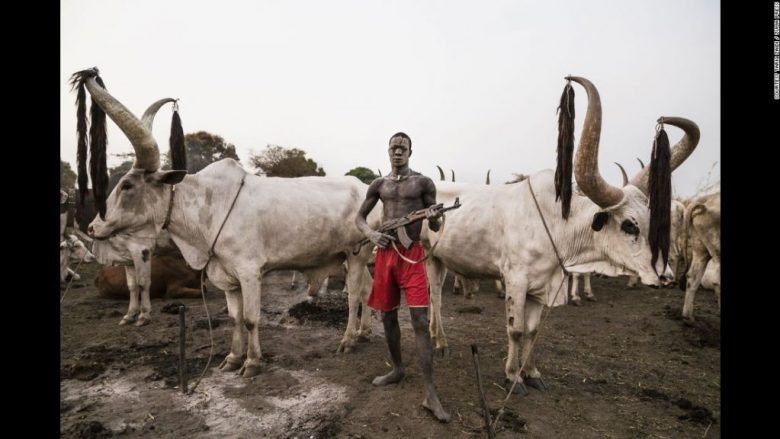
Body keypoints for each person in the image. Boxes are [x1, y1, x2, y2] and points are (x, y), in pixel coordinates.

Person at [355, 131, 451, 423]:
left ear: (411, 151)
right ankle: (397, 369)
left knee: (421, 321)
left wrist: (433, 216)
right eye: (394, 147)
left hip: (411, 258)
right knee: (387, 316)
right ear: (388, 151)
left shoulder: (423, 183)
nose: (398, 152)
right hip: (385, 256)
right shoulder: (378, 184)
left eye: (403, 147)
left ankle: (431, 394)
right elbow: (360, 218)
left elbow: (434, 225)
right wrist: (372, 234)